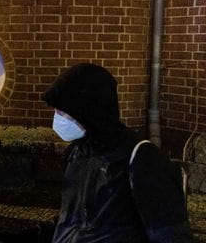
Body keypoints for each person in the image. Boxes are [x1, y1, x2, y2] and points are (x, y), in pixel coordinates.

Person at [43, 63, 192, 242]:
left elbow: (170, 235)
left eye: (63, 111)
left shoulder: (141, 158)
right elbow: (73, 225)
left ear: (89, 110)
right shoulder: (77, 153)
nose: (57, 117)